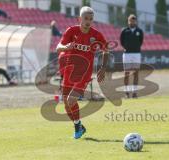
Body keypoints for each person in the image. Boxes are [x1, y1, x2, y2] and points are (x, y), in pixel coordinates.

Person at [56, 6, 108, 139]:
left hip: (84, 73)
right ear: (79, 19)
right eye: (85, 18)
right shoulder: (71, 31)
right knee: (67, 104)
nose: (88, 21)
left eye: (91, 19)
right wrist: (65, 47)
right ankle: (78, 125)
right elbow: (58, 47)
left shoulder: (96, 35)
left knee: (71, 100)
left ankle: (78, 126)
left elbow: (106, 50)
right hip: (69, 70)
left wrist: (103, 67)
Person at [120, 14, 144, 98]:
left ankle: (134, 92)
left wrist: (135, 48)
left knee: (136, 73)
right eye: (130, 21)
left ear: (136, 22)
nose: (132, 22)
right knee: (126, 73)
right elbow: (121, 42)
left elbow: (141, 41)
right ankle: (126, 92)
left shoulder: (139, 31)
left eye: (133, 21)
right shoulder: (124, 31)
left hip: (136, 54)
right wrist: (127, 48)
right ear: (128, 21)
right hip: (127, 54)